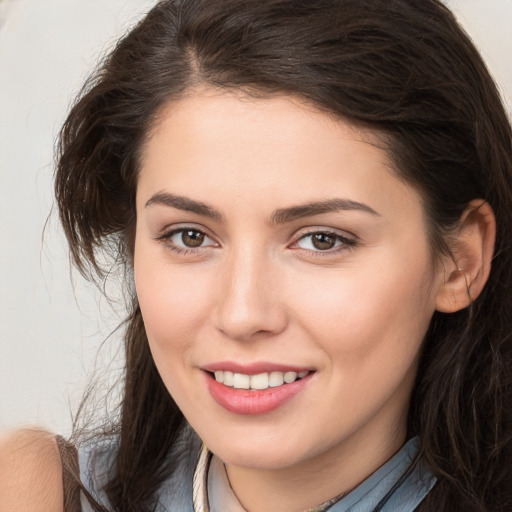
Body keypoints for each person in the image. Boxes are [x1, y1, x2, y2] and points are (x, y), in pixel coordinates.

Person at [1, 0, 511, 510]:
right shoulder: (36, 494)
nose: (242, 315)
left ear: (460, 260)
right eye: (190, 236)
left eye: (321, 240)